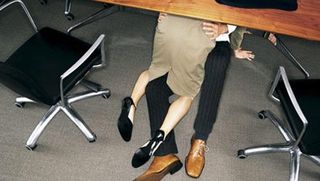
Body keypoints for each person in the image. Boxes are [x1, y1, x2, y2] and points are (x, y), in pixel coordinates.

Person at [117, 12, 235, 174]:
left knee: (217, 62)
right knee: (168, 90)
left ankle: (200, 138)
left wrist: (225, 28)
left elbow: (244, 11)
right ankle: (163, 146)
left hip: (205, 34)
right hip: (195, 32)